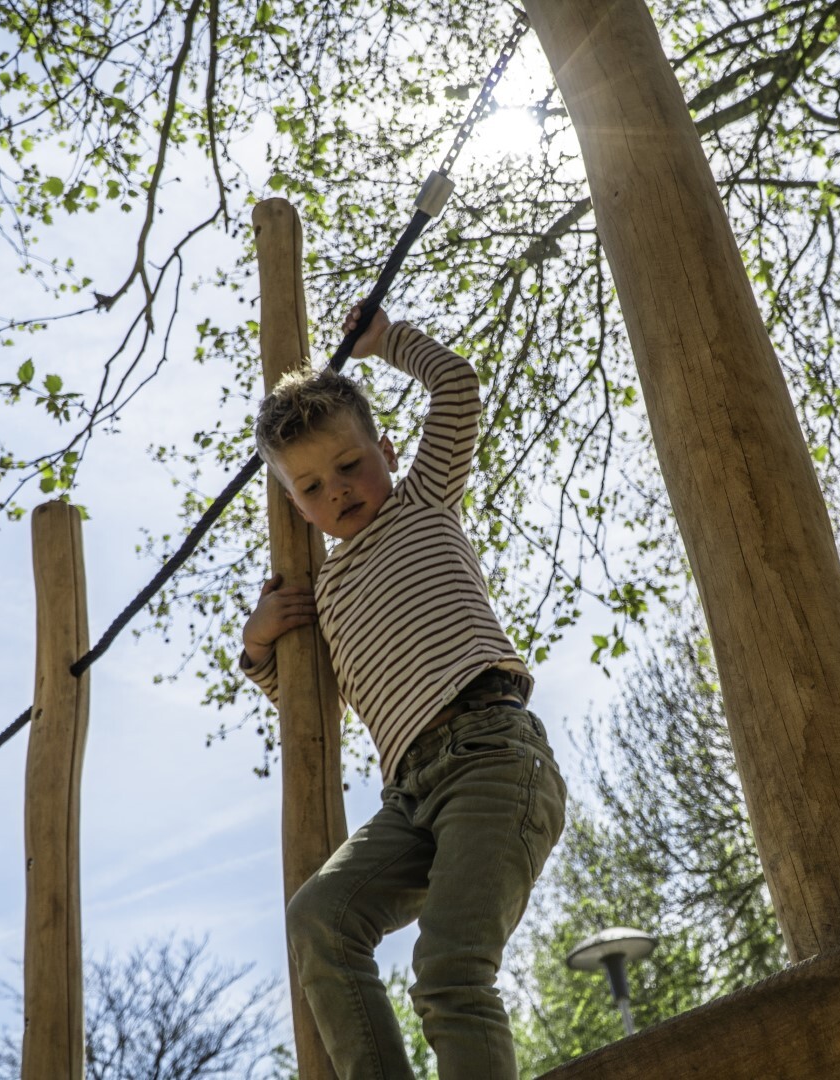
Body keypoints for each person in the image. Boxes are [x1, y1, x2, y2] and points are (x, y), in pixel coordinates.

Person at [239, 303, 567, 1079]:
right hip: (408, 798)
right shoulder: (324, 594)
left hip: (491, 755)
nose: (338, 491)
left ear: (385, 451)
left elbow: (457, 387)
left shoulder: (423, 499)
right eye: (312, 486)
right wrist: (258, 645)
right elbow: (309, 709)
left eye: (350, 465)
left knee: (449, 970)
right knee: (319, 920)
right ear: (297, 506)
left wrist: (387, 342)